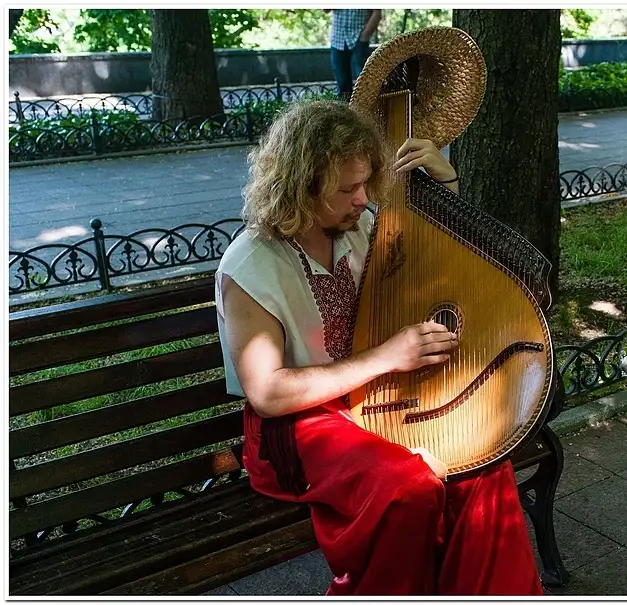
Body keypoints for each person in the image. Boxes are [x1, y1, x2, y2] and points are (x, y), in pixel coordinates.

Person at [214, 100, 543, 596]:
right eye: (347, 189)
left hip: (377, 399)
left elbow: (436, 269)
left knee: (482, 465)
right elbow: (268, 394)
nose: (363, 198)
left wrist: (445, 186)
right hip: (298, 427)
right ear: (301, 187)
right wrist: (386, 357)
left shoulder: (361, 228)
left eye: (366, 183)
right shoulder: (251, 265)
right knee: (410, 487)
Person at [324, 9, 382, 100]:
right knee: (342, 86)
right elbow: (325, 9)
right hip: (338, 39)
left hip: (359, 39)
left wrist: (365, 35)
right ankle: (346, 107)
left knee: (364, 83)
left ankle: (366, 106)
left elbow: (377, 12)